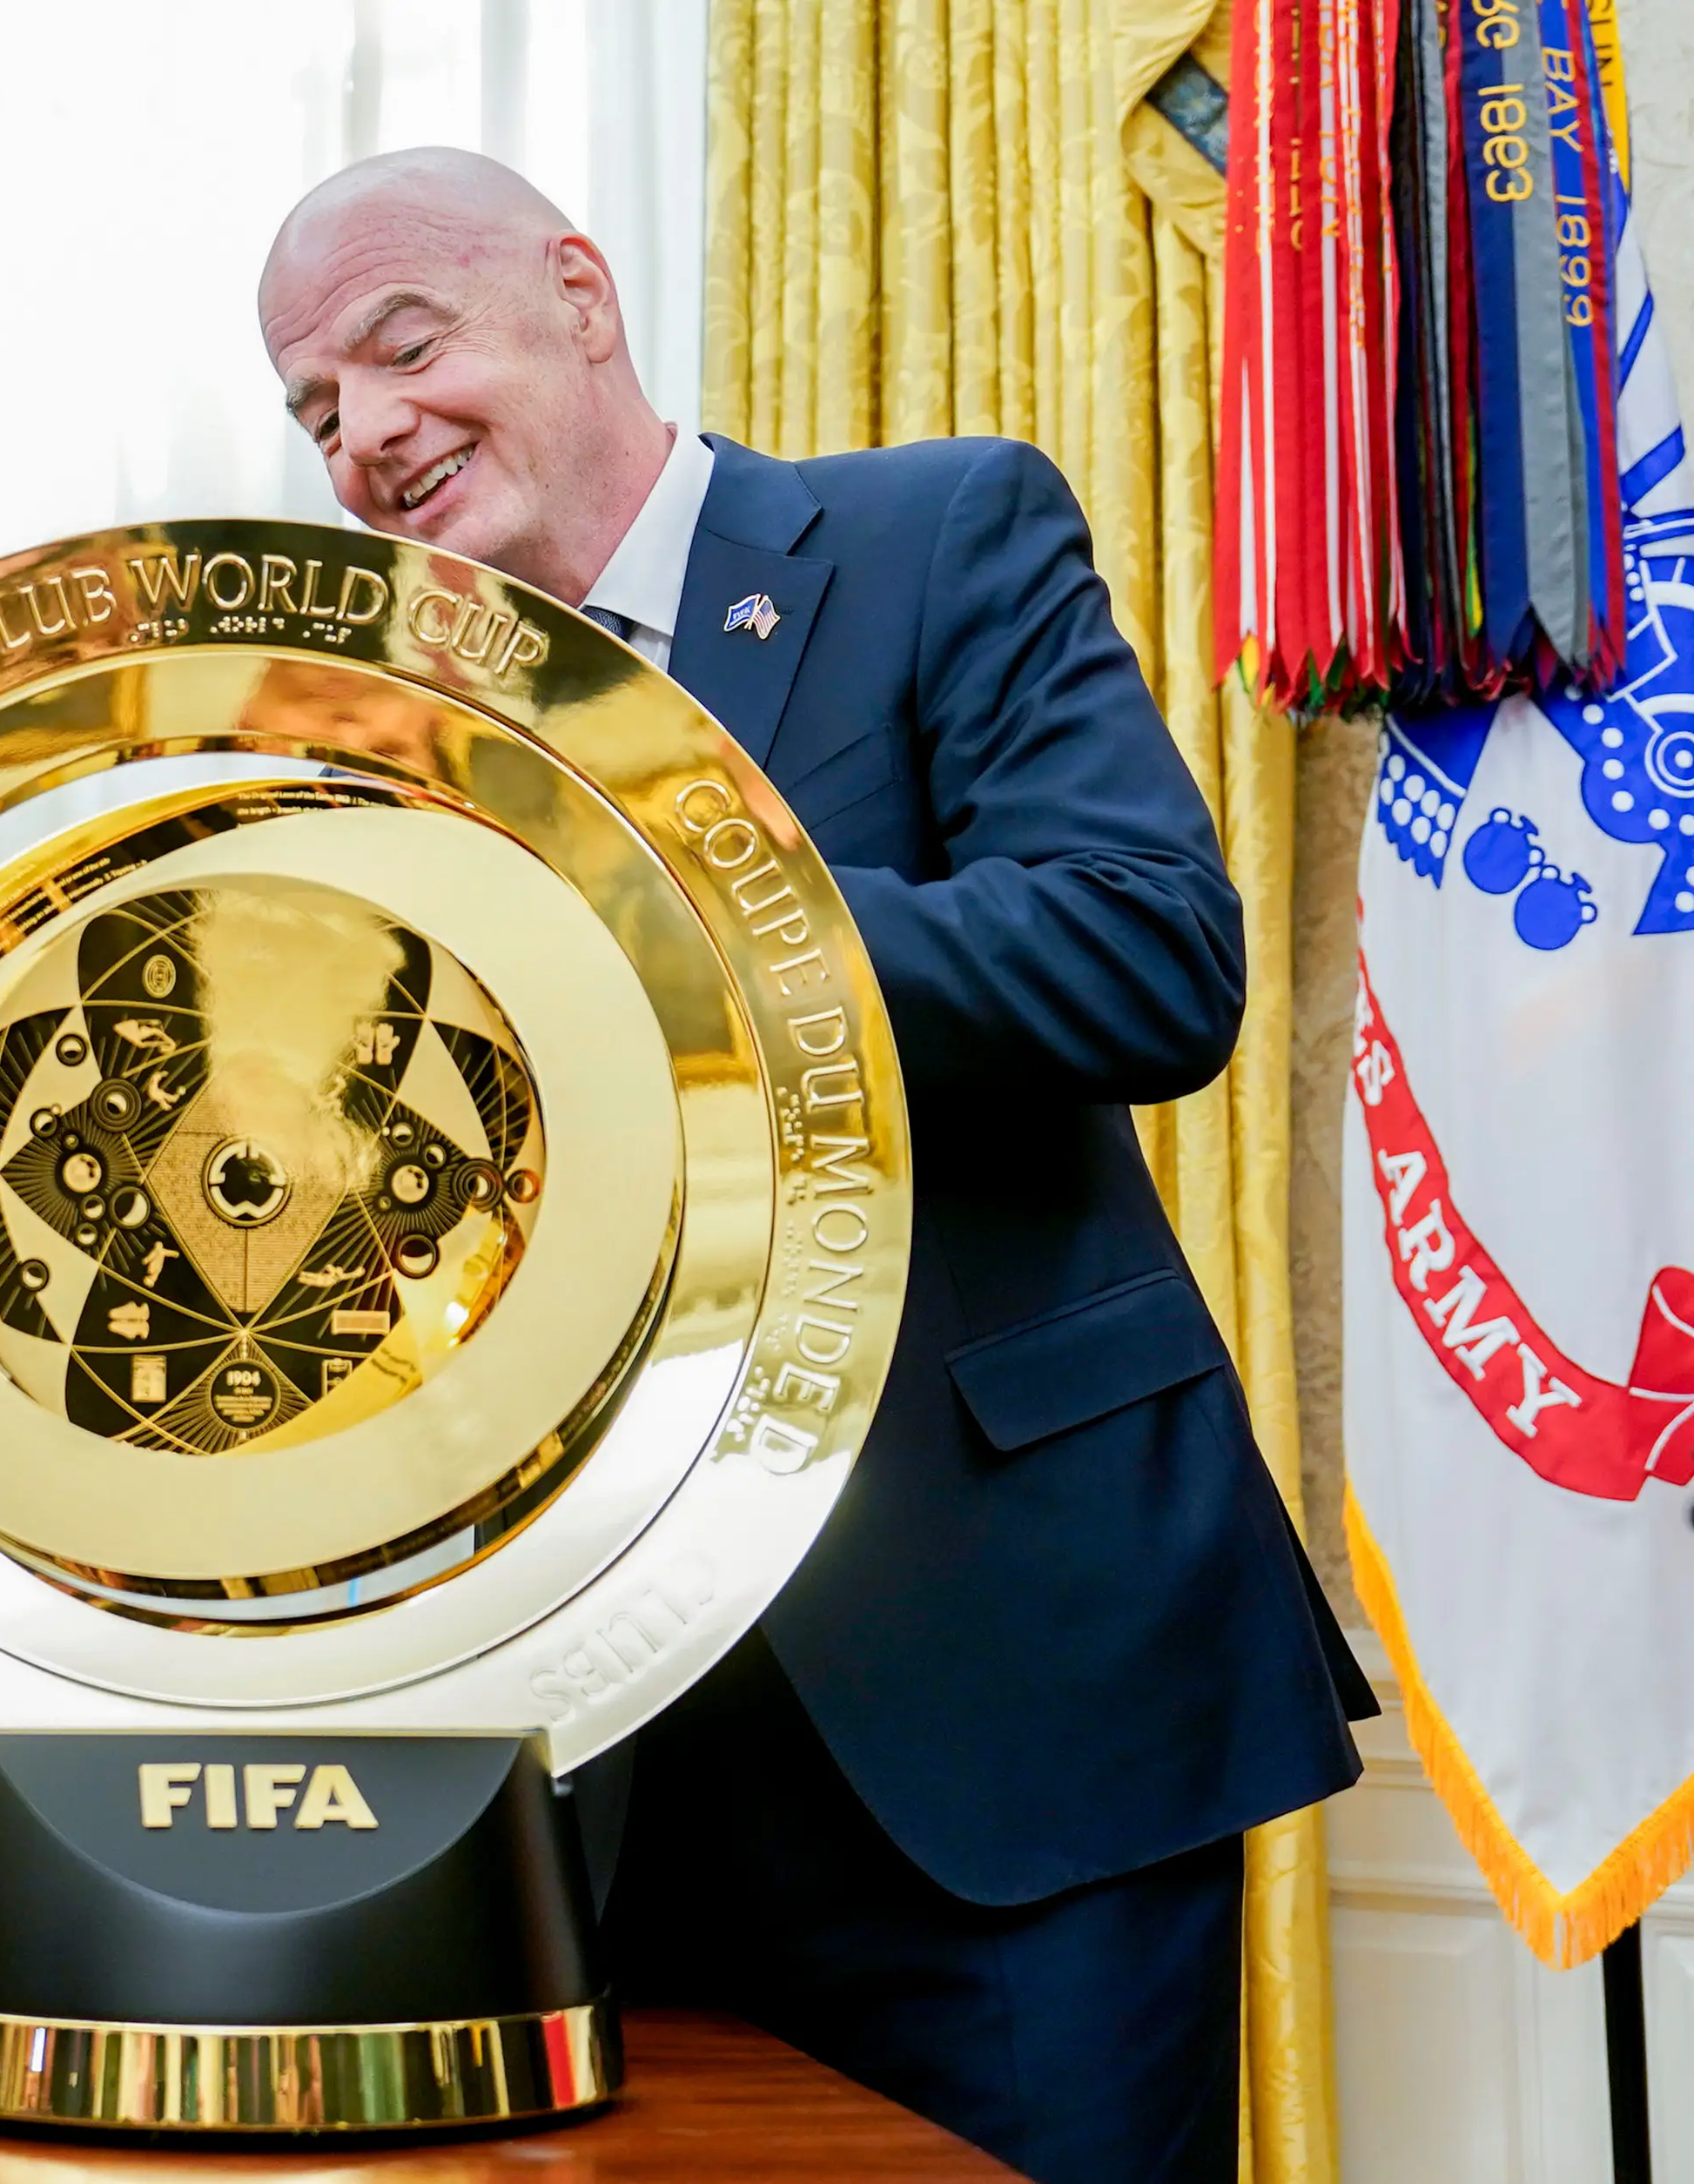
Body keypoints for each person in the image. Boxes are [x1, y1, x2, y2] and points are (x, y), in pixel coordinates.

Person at [256, 149, 1374, 2184]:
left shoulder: (935, 531)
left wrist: (672, 901)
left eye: (399, 355)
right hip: (606, 1766)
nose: (366, 436)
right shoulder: (395, 751)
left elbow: (1147, 953)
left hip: (1007, 1718)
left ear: (578, 298)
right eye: (314, 413)